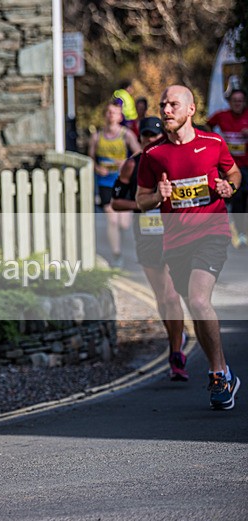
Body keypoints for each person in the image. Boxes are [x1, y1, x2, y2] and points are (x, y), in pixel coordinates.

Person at [136, 85, 242, 410]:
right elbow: (142, 201)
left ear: (191, 109)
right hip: (176, 244)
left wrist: (229, 187)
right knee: (195, 306)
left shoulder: (213, 144)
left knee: (198, 298)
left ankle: (218, 372)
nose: (166, 110)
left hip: (212, 232)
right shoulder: (152, 155)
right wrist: (159, 196)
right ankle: (223, 371)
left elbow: (234, 173)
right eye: (163, 104)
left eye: (173, 104)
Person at [112, 116, 187, 380]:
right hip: (146, 238)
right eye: (145, 137)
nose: (149, 141)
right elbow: (117, 203)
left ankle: (176, 354)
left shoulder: (175, 160)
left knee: (171, 296)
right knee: (161, 298)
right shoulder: (132, 165)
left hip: (174, 237)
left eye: (154, 137)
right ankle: (175, 335)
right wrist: (143, 204)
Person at [89, 101, 141, 267]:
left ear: (120, 116)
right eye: (109, 112)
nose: (111, 115)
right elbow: (90, 157)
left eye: (115, 113)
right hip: (105, 182)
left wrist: (126, 162)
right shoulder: (97, 136)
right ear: (105, 115)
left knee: (124, 223)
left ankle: (125, 246)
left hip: (123, 181)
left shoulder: (126, 135)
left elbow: (139, 152)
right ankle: (117, 255)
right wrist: (97, 168)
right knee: (112, 221)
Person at [207, 88, 248, 248]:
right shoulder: (221, 116)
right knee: (237, 199)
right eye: (234, 101)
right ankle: (241, 233)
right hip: (230, 166)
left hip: (247, 164)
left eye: (240, 101)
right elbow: (207, 125)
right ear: (230, 102)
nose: (237, 103)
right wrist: (217, 139)